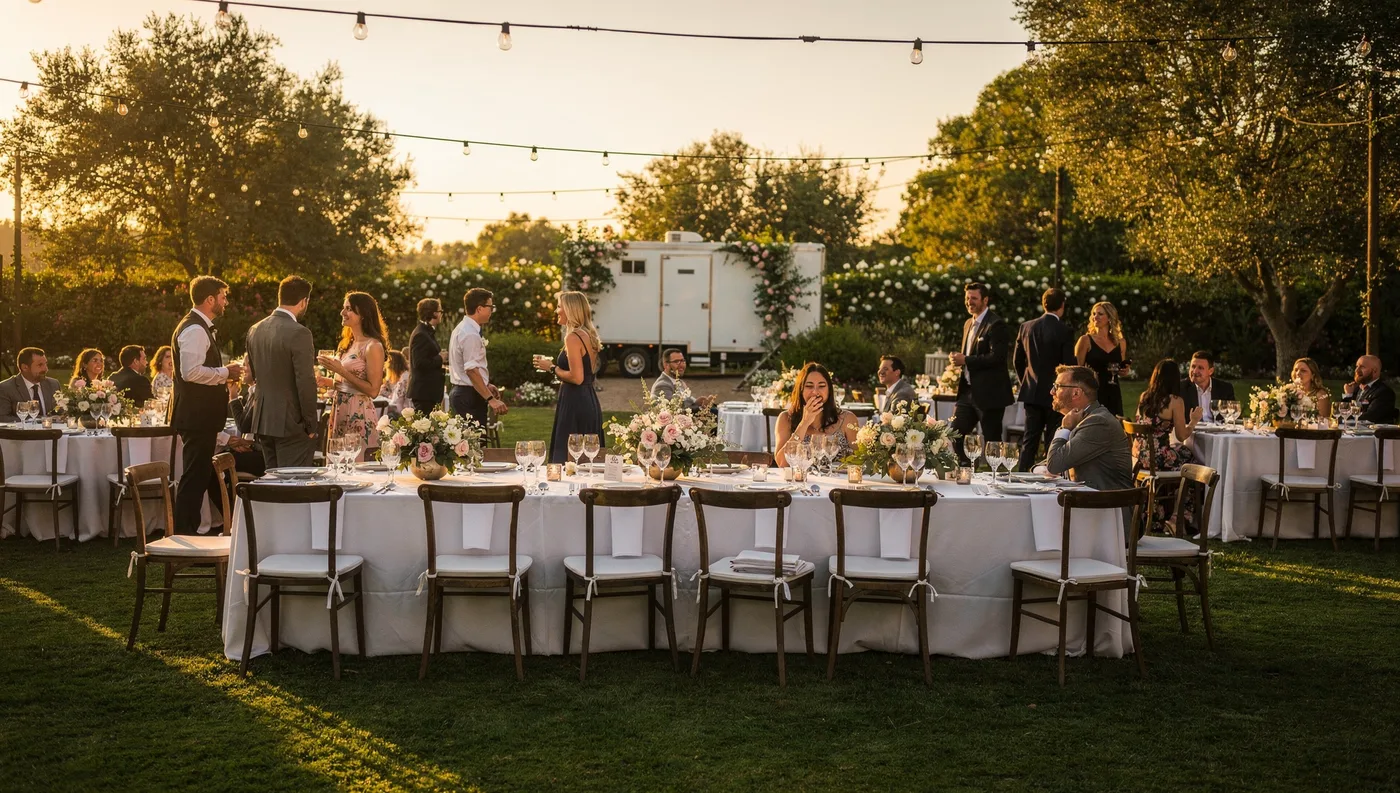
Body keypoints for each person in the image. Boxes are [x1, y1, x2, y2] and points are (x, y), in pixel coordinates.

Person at [169, 276, 243, 535]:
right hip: (196, 416)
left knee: (207, 474)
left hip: (202, 417)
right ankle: (182, 535)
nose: (225, 301)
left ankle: (235, 523)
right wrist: (226, 371)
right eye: (223, 296)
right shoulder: (194, 329)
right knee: (194, 477)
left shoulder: (199, 327)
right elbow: (190, 372)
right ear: (210, 299)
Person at [244, 276, 319, 469]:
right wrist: (311, 425)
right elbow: (306, 382)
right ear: (304, 301)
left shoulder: (255, 329)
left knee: (272, 484)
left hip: (263, 421)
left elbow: (253, 376)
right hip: (291, 423)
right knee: (293, 486)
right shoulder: (299, 332)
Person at [318, 292, 389, 461]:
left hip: (358, 413)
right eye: (344, 308)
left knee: (358, 467)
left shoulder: (373, 346)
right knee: (338, 466)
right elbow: (346, 384)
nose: (342, 312)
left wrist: (341, 371)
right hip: (339, 410)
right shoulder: (348, 343)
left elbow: (373, 390)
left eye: (348, 309)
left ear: (363, 314)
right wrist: (326, 381)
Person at [535, 291, 604, 464]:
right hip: (588, 399)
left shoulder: (573, 337)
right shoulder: (587, 334)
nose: (556, 311)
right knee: (586, 456)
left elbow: (577, 377)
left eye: (559, 307)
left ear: (570, 309)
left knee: (569, 456)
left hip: (575, 402)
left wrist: (551, 367)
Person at [949, 281, 1013, 465]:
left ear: (985, 300)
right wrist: (959, 361)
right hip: (967, 392)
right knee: (954, 433)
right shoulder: (968, 323)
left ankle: (997, 476)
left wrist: (966, 360)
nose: (970, 302)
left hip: (989, 393)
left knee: (992, 440)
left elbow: (998, 358)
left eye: (974, 298)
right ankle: (967, 467)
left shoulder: (996, 324)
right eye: (967, 298)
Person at [1134, 359, 1200, 535]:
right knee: (1193, 468)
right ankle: (1177, 518)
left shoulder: (1144, 397)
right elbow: (1181, 435)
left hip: (1141, 458)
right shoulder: (1174, 401)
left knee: (1183, 455)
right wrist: (1193, 421)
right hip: (1159, 457)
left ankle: (1157, 515)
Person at [1014, 287, 1076, 472]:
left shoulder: (1026, 327)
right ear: (1062, 306)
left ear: (1044, 304)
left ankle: (1021, 478)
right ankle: (1050, 476)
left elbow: (1017, 361)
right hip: (1055, 393)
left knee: (1029, 440)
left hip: (1031, 392)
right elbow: (1067, 366)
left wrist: (1025, 381)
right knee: (1052, 439)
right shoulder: (1064, 330)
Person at [1045, 364, 1133, 493]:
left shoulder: (1098, 422)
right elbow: (1053, 460)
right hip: (1087, 501)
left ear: (1076, 392)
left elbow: (1054, 464)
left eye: (1057, 386)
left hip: (1106, 507)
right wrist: (1038, 468)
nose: (1052, 391)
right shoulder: (1084, 417)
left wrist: (1064, 428)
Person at [773, 362, 859, 467]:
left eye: (821, 386)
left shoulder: (847, 419)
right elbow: (782, 463)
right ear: (801, 390)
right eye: (809, 386)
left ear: (829, 390)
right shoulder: (785, 418)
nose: (815, 392)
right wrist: (804, 423)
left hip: (838, 481)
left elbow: (860, 461)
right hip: (801, 481)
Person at [449, 288, 509, 427]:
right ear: (480, 309)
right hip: (469, 397)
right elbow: (471, 370)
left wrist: (486, 385)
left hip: (464, 393)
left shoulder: (461, 328)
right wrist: (491, 399)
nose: (492, 311)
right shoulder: (470, 334)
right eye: (490, 307)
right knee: (475, 445)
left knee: (469, 444)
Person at [1074, 301, 1128, 417]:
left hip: (1113, 391)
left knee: (1114, 426)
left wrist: (1125, 370)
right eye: (1093, 314)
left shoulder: (1121, 342)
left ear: (1109, 317)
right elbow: (1077, 370)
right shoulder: (1085, 340)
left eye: (1100, 314)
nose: (1095, 317)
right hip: (1093, 391)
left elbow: (1122, 367)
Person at [407, 297, 447, 414]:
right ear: (434, 313)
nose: (441, 315)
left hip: (428, 392)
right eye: (440, 312)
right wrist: (440, 358)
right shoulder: (421, 334)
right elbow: (419, 363)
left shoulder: (426, 332)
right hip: (424, 392)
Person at [0, 347, 60, 422]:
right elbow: (2, 418)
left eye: (45, 364)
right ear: (25, 367)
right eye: (40, 365)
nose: (45, 369)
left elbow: (61, 413)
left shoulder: (53, 384)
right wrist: (35, 420)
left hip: (51, 432)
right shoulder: (6, 388)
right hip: (22, 433)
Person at [223, 381, 266, 479]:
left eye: (246, 365)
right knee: (219, 458)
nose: (243, 369)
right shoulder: (252, 392)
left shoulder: (259, 393)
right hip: (257, 449)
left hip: (263, 457)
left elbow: (243, 426)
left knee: (219, 463)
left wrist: (233, 396)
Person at [1176, 350, 1235, 423]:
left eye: (1200, 368)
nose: (1194, 371)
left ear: (1210, 371)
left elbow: (1232, 416)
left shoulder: (1225, 388)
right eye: (1193, 366)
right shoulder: (1180, 388)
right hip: (1191, 431)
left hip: (1218, 432)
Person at [651, 348, 715, 410]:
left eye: (683, 361)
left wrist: (700, 402)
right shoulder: (662, 385)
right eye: (677, 362)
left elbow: (686, 402)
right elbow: (674, 409)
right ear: (666, 365)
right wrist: (697, 405)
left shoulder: (679, 381)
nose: (681, 365)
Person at [1341, 354, 1398, 424]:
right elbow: (1341, 412)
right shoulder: (1356, 389)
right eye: (1357, 366)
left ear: (1375, 371)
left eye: (1362, 367)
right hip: (1355, 431)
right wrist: (1348, 395)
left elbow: (1369, 418)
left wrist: (1344, 417)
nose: (1356, 370)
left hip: (1374, 434)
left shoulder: (1384, 392)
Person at [382, 348, 410, 419]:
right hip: (399, 410)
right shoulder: (397, 377)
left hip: (403, 414)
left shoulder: (404, 378)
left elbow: (398, 403)